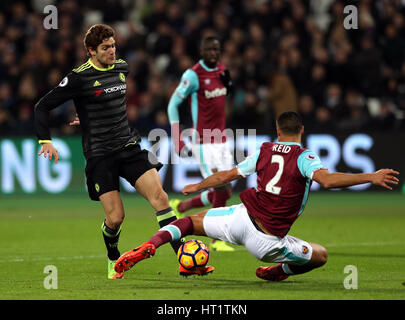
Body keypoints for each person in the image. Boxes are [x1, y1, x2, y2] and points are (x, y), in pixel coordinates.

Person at [114, 111, 399, 281]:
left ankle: (148, 246)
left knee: (189, 223)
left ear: (277, 131)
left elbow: (227, 176)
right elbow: (327, 180)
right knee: (320, 255)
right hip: (267, 241)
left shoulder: (265, 150)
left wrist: (197, 186)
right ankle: (276, 272)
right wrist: (370, 176)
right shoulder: (305, 156)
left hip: (239, 219)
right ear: (301, 131)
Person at [34, 24, 213, 279]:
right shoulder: (78, 77)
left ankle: (184, 260)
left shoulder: (122, 68)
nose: (111, 51)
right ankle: (112, 257)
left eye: (113, 45)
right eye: (105, 47)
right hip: (100, 155)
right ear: (91, 51)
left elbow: (104, 102)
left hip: (129, 146)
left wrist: (89, 115)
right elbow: (42, 106)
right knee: (116, 217)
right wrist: (46, 141)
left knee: (161, 199)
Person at [167, 35, 235, 251]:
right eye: (209, 49)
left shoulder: (223, 71)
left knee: (226, 191)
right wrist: (177, 135)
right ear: (202, 51)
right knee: (220, 185)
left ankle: (181, 206)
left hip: (222, 139)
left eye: (216, 49)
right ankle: (217, 239)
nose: (213, 53)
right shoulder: (193, 75)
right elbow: (173, 104)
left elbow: (226, 93)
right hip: (204, 141)